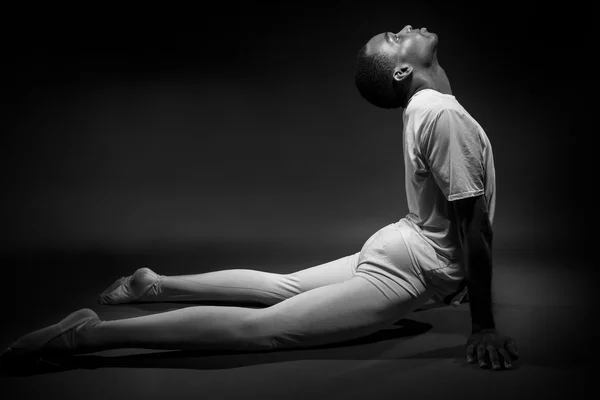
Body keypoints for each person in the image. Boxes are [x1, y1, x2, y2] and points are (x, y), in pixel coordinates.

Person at [1, 25, 518, 371]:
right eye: (393, 36)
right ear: (403, 71)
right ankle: (83, 337)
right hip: (412, 266)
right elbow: (473, 228)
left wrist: (460, 285)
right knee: (264, 331)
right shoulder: (441, 113)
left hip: (402, 242)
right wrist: (484, 327)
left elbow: (455, 214)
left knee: (282, 286)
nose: (404, 28)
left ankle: (155, 285)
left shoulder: (427, 109)